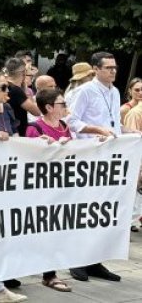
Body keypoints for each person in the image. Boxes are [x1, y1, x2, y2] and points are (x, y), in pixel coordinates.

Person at [67, 52, 125, 283]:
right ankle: (76, 260)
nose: (113, 71)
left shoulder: (115, 91)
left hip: (110, 157)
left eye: (115, 68)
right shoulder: (85, 91)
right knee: (84, 209)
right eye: (108, 68)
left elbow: (114, 123)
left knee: (102, 210)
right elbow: (71, 121)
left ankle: (95, 259)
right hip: (89, 157)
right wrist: (97, 130)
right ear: (96, 69)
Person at [25, 81, 72, 293]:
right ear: (49, 107)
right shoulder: (35, 128)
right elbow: (29, 158)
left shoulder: (64, 127)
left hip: (61, 188)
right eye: (62, 103)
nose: (65, 106)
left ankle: (50, 273)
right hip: (41, 190)